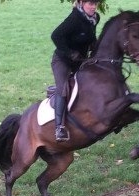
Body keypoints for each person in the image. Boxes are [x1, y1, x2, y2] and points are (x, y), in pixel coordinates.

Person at [51, 0, 101, 142]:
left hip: (80, 61)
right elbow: (55, 36)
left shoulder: (95, 18)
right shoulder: (73, 19)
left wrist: (96, 49)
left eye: (95, 4)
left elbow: (90, 37)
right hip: (62, 61)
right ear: (81, 3)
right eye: (90, 4)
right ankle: (59, 127)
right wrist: (70, 53)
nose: (93, 7)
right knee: (63, 88)